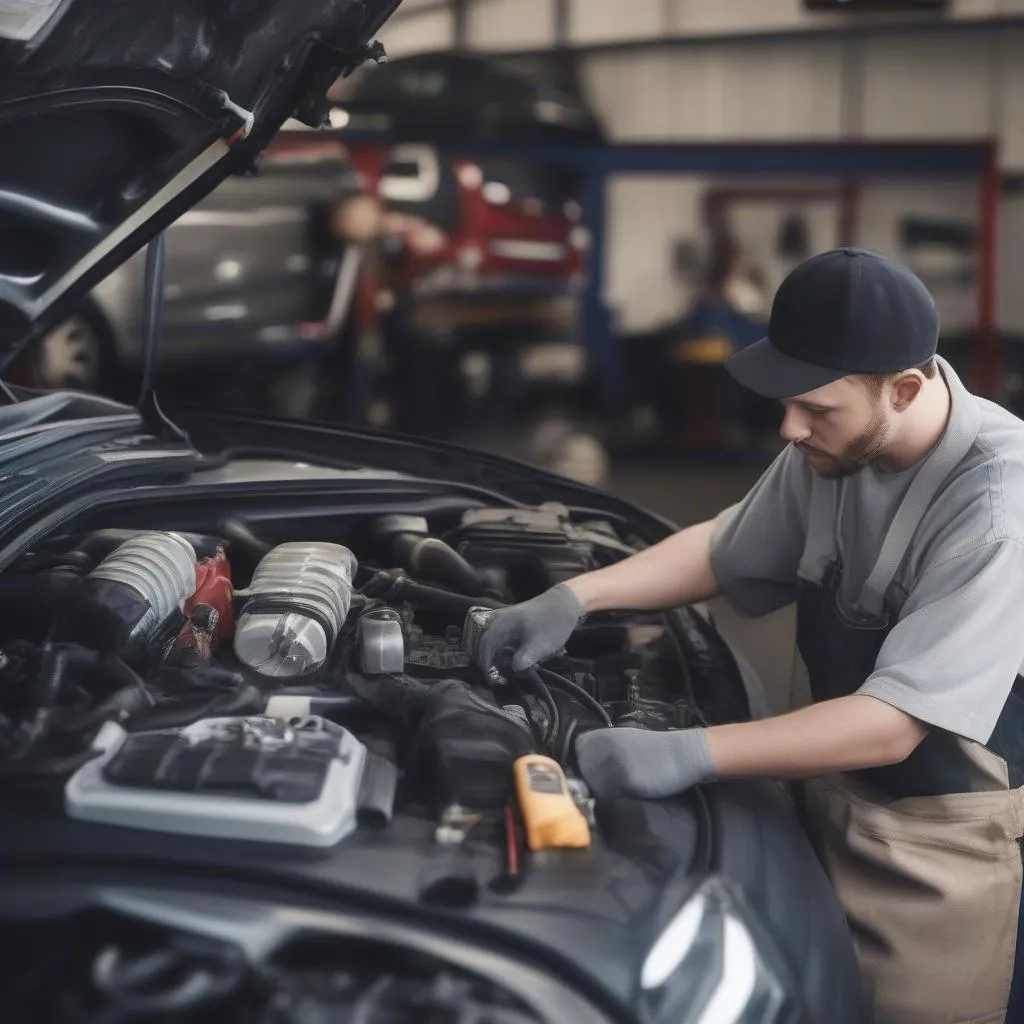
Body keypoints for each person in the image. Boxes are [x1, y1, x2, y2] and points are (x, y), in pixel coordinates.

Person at [475, 247, 1024, 1024]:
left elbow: (894, 724)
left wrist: (688, 753)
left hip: (935, 854)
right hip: (821, 800)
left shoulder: (999, 511)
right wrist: (575, 597)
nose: (788, 428)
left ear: (905, 389)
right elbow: (723, 549)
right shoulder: (835, 448)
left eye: (815, 409)